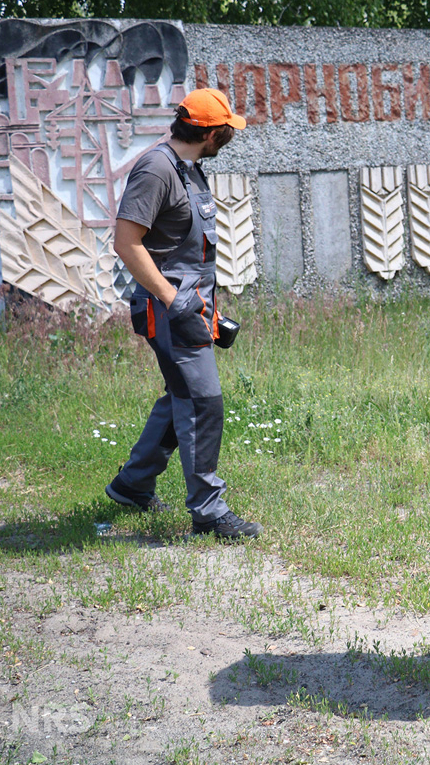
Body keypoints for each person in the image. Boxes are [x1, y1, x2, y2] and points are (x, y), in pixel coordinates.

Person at [104, 87, 261, 540]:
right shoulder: (156, 170)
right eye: (226, 130)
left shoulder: (189, 168)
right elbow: (126, 243)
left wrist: (204, 305)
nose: (231, 136)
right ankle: (209, 511)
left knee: (181, 398)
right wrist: (174, 301)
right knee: (203, 402)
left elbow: (186, 248)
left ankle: (132, 484)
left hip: (193, 306)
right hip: (169, 309)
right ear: (208, 134)